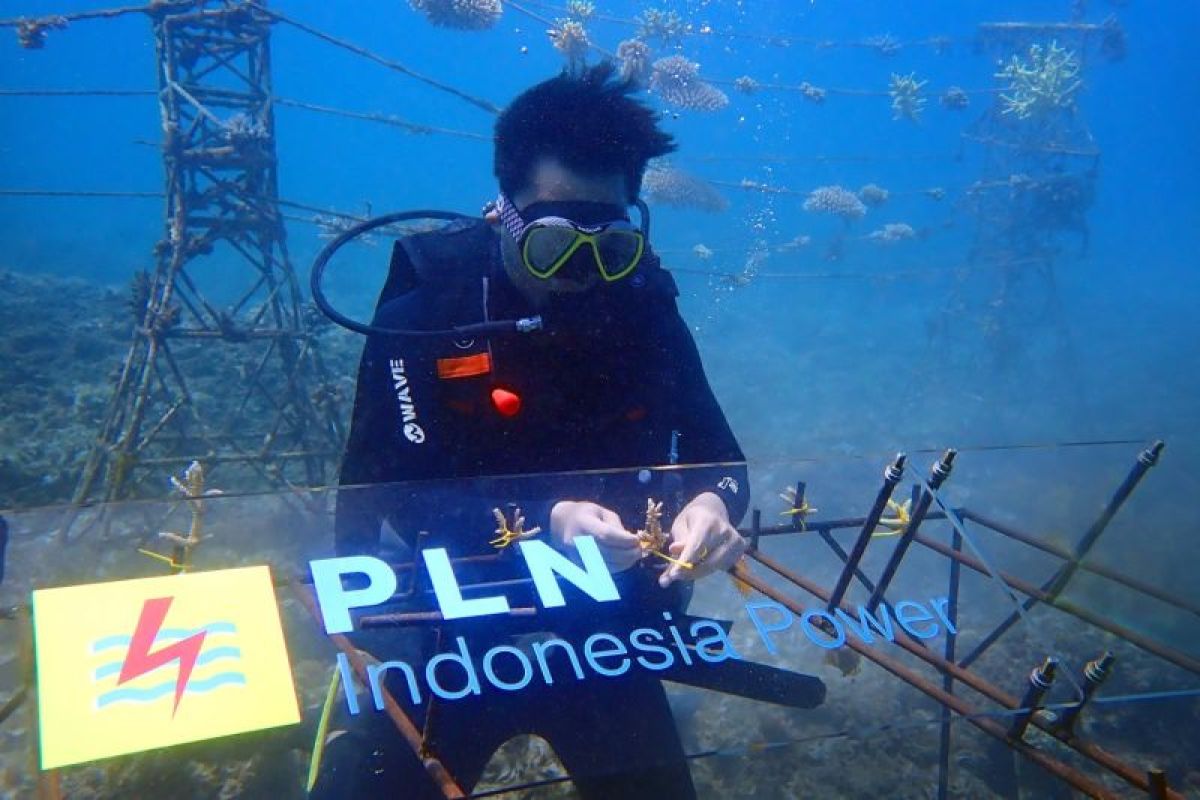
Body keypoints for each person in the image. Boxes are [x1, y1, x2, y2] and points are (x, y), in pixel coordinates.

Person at [313, 63, 750, 799]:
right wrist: (546, 520)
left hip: (601, 622)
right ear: (502, 213)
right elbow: (391, 494)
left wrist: (712, 507)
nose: (583, 274)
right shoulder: (433, 304)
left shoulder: (643, 303)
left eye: (608, 247)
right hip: (445, 620)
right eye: (554, 245)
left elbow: (720, 458)